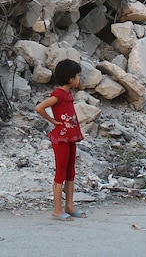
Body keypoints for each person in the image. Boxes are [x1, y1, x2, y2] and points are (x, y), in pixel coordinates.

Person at [34, 59, 88, 221]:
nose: (79, 79)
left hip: (70, 137)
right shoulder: (58, 94)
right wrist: (52, 121)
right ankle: (57, 209)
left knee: (71, 171)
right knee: (61, 172)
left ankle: (69, 205)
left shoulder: (67, 94)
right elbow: (39, 107)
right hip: (61, 138)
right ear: (70, 78)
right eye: (77, 76)